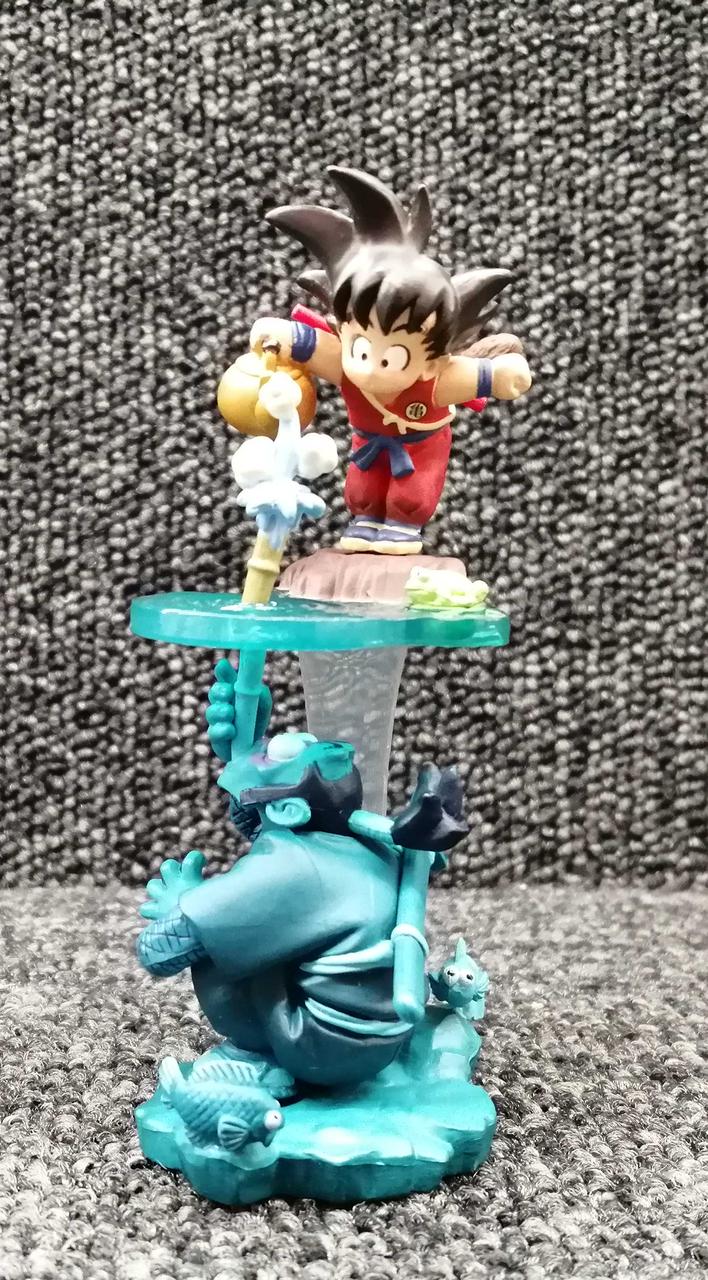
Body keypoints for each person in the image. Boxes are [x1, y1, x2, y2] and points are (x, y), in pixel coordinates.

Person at [249, 166, 532, 554]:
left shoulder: (435, 378)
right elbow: (310, 345)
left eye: (393, 356)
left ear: (432, 360)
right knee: (361, 492)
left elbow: (483, 375)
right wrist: (279, 336)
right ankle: (366, 518)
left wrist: (502, 374)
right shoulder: (346, 364)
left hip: (420, 447)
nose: (369, 366)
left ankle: (402, 524)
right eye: (361, 349)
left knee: (410, 495)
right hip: (367, 443)